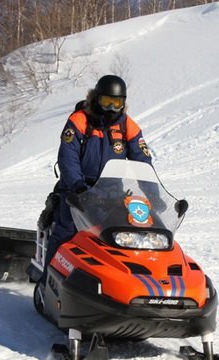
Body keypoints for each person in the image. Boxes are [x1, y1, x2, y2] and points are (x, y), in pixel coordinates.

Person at [41, 75, 153, 279]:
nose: (111, 108)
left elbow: (142, 161)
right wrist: (78, 186)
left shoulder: (127, 125)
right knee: (66, 233)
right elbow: (68, 157)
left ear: (123, 103)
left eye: (116, 103)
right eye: (106, 102)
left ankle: (118, 283)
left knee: (120, 237)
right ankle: (47, 282)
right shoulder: (80, 119)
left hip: (112, 192)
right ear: (96, 99)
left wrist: (153, 194)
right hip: (77, 191)